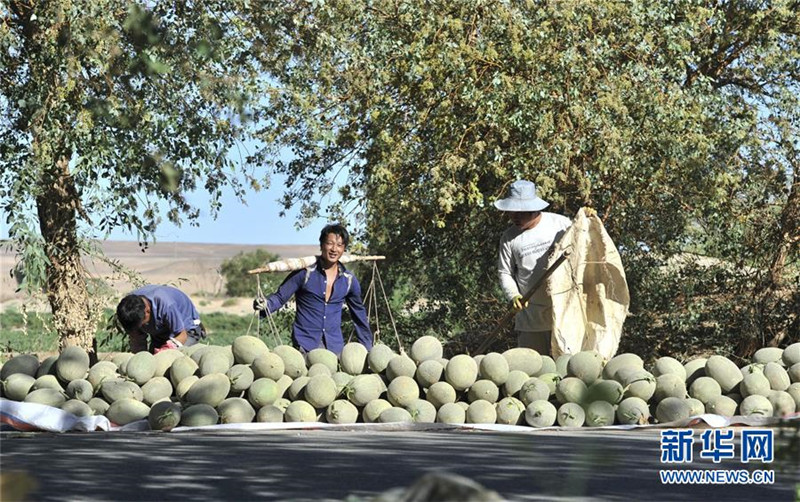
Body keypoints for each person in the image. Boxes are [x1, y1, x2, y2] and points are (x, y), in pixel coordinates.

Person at [253, 223, 374, 355]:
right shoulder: (304, 274)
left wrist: (368, 348)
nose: (334, 249)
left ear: (344, 249)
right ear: (321, 245)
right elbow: (280, 297)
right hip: (305, 345)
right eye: (330, 243)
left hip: (334, 348)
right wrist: (266, 304)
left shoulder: (348, 280)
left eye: (339, 245)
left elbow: (359, 314)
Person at [495, 180, 571, 355]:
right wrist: (513, 295)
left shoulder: (560, 224)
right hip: (531, 321)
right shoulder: (509, 238)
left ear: (534, 209)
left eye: (520, 213)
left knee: (568, 373)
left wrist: (588, 220)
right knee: (535, 375)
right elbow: (505, 272)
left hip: (564, 315)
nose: (515, 217)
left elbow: (584, 244)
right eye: (511, 212)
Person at [116, 285, 206, 353]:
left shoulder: (166, 304)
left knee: (173, 361)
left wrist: (166, 351)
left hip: (186, 332)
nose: (142, 327)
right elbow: (137, 340)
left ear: (147, 311)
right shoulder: (129, 307)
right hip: (161, 334)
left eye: (142, 324)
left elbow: (182, 336)